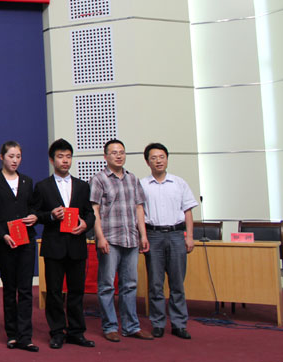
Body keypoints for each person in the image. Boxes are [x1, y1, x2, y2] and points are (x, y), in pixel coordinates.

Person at [33, 139, 96, 350]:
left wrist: (86, 224)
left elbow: (89, 213)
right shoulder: (42, 186)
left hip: (77, 244)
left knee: (77, 291)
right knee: (54, 292)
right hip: (54, 246)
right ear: (52, 160)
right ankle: (57, 332)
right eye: (60, 157)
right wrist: (51, 215)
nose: (65, 161)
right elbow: (35, 214)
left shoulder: (82, 186)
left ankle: (77, 332)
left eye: (68, 156)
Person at [90, 138, 151, 342]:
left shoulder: (132, 179)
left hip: (131, 239)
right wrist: (100, 237)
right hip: (110, 238)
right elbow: (94, 209)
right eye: (114, 153)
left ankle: (131, 326)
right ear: (105, 156)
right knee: (107, 285)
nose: (119, 156)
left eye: (122, 152)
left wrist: (143, 235)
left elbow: (139, 208)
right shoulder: (99, 179)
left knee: (130, 285)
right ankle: (110, 327)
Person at [0, 140, 39, 352]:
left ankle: (26, 335)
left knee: (25, 289)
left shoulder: (27, 181)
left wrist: (34, 216)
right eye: (11, 156)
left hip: (26, 241)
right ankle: (12, 334)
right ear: (2, 157)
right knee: (9, 289)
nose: (15, 160)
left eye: (18, 157)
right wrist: (2, 235)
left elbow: (33, 207)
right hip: (6, 241)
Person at [141, 142, 198, 340]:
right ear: (147, 162)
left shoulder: (179, 183)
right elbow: (139, 212)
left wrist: (189, 236)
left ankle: (179, 324)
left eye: (162, 157)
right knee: (155, 283)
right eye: (154, 158)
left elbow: (188, 211)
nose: (158, 161)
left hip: (176, 235)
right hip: (153, 235)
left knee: (177, 283)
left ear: (167, 159)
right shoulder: (142, 185)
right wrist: (143, 236)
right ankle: (157, 323)